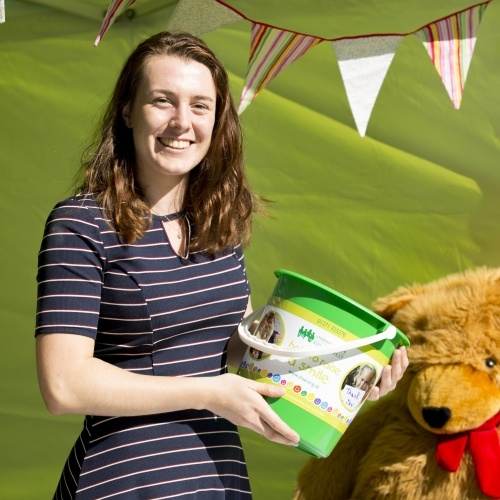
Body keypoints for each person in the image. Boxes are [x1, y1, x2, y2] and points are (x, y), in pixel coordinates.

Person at [35, 31, 409, 499]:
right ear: (128, 111)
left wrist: (348, 375)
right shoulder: (82, 223)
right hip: (127, 479)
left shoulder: (216, 220)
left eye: (199, 105)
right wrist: (209, 393)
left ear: (218, 120)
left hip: (216, 474)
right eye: (162, 101)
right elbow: (64, 385)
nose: (181, 122)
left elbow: (240, 350)